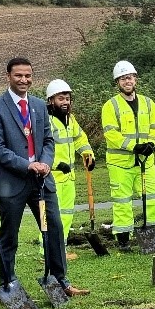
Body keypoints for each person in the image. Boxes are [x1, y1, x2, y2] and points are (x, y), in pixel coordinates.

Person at [0, 58, 85, 296]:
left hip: (41, 180)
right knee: (9, 236)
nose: (24, 80)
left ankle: (61, 280)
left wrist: (45, 164)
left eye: (28, 75)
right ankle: (8, 282)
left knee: (55, 229)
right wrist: (28, 165)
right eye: (18, 75)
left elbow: (48, 140)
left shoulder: (39, 106)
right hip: (12, 182)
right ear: (8, 76)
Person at [100, 60, 155, 251]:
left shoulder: (148, 103)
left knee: (154, 198)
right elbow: (110, 133)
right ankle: (123, 240)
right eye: (122, 79)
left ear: (135, 79)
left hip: (146, 162)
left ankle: (154, 236)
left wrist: (151, 143)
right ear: (117, 82)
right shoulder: (110, 106)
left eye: (129, 77)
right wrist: (133, 146)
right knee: (122, 202)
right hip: (120, 164)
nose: (127, 81)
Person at [45, 78, 95, 262]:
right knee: (53, 217)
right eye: (61, 98)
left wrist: (88, 153)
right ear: (51, 100)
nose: (65, 102)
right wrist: (56, 164)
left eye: (67, 98)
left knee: (65, 215)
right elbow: (39, 148)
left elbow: (80, 139)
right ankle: (48, 252)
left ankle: (60, 249)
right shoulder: (45, 120)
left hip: (68, 177)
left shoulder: (70, 119)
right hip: (51, 177)